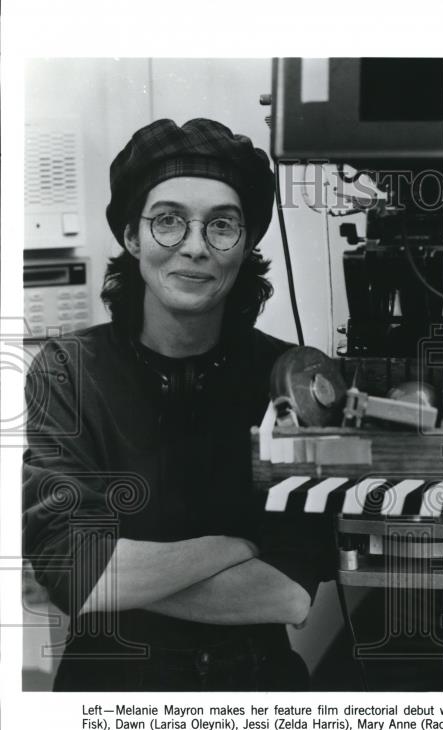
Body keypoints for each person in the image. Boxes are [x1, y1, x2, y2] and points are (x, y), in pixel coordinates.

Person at [23, 118, 323, 691]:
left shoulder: (295, 377)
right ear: (133, 238)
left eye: (221, 225)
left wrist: (122, 573)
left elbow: (289, 591)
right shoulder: (67, 370)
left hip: (259, 690)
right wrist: (233, 546)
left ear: (246, 243)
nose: (194, 246)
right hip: (110, 688)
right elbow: (73, 572)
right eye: (168, 221)